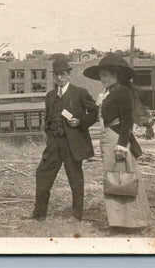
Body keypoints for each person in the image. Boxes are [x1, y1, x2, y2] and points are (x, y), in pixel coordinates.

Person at [24, 57, 98, 222]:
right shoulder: (50, 96)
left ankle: (76, 214)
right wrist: (49, 137)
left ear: (68, 75)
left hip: (72, 144)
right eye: (56, 75)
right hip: (54, 144)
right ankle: (40, 213)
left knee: (75, 178)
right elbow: (48, 119)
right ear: (53, 76)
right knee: (42, 173)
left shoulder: (80, 93)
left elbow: (95, 112)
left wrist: (80, 122)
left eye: (62, 74)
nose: (59, 78)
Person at [83, 53, 150, 229]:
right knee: (113, 180)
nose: (102, 78)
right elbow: (95, 117)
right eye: (101, 75)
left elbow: (127, 121)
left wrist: (121, 145)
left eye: (106, 75)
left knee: (122, 179)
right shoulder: (107, 94)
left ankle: (133, 221)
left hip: (117, 139)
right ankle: (118, 221)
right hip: (107, 139)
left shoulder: (123, 92)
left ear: (116, 74)